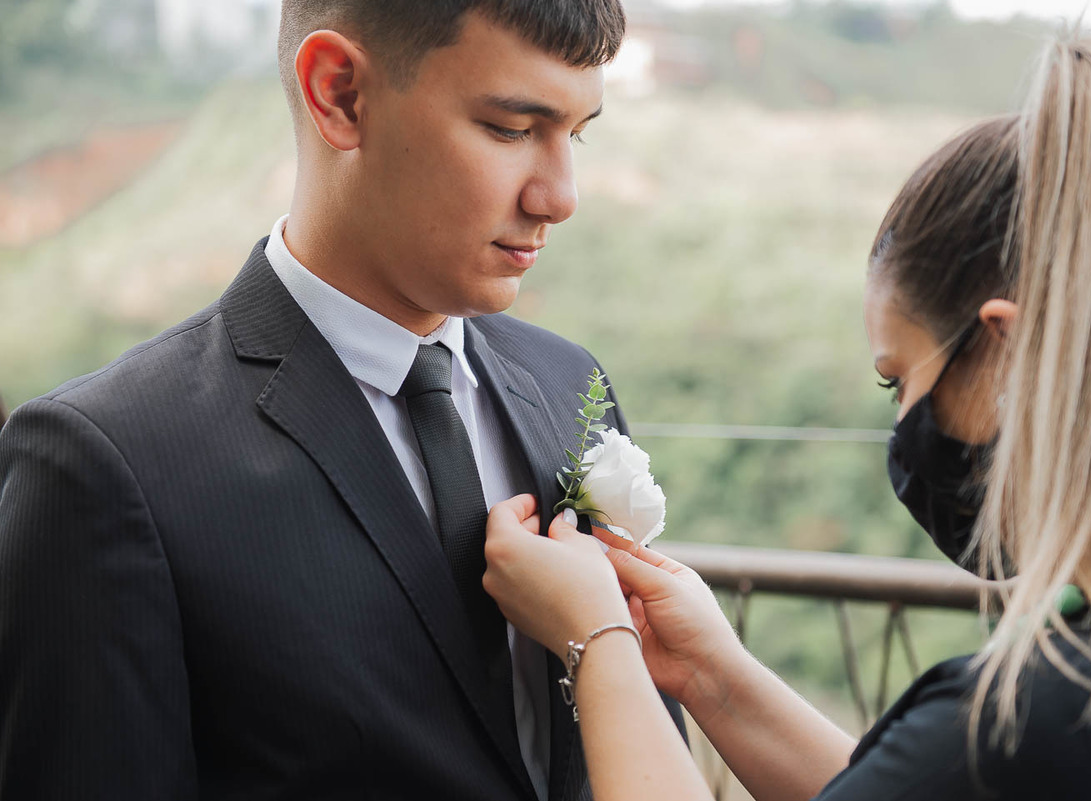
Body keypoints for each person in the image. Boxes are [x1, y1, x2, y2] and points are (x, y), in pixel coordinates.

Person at [482, 31, 1091, 800]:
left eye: (901, 381)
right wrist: (709, 673)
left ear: (1009, 355)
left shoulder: (1020, 723)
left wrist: (600, 640)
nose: (904, 424)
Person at [0, 1, 683, 799]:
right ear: (340, 95)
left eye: (577, 133)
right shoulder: (103, 463)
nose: (560, 196)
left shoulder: (571, 386)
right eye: (509, 128)